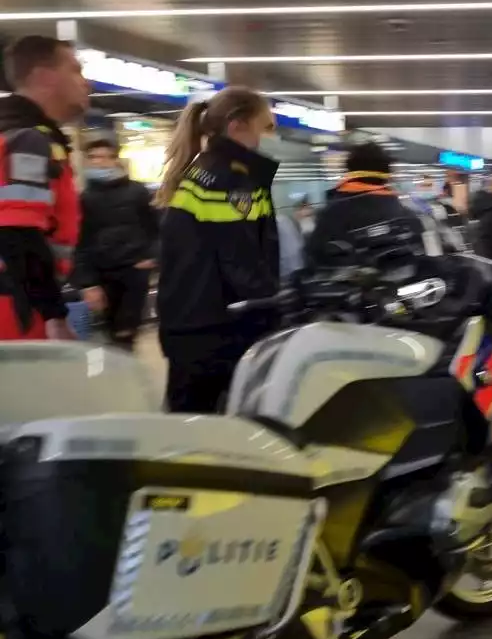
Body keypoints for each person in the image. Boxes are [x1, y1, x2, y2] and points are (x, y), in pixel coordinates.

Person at [155, 86, 281, 413]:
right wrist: (277, 310)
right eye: (266, 127)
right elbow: (241, 262)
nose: (271, 137)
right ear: (238, 126)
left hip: (192, 327)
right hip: (215, 333)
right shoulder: (229, 181)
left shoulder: (206, 172)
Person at [0, 35, 89, 342]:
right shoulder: (27, 140)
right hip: (17, 309)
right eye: (75, 70)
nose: (85, 82)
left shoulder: (12, 133)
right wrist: (54, 315)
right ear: (44, 76)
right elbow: (16, 231)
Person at [73, 138, 158, 349]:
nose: (99, 162)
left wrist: (152, 256)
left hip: (133, 272)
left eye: (104, 157)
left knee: (125, 333)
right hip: (102, 276)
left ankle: (125, 375)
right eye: (93, 157)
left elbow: (156, 228)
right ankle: (106, 375)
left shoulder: (137, 192)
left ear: (115, 160)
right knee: (103, 335)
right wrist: (88, 283)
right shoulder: (85, 198)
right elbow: (81, 243)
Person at [307, 142, 421, 262]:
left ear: (349, 171)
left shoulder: (333, 213)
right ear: (387, 173)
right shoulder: (408, 216)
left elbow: (315, 254)